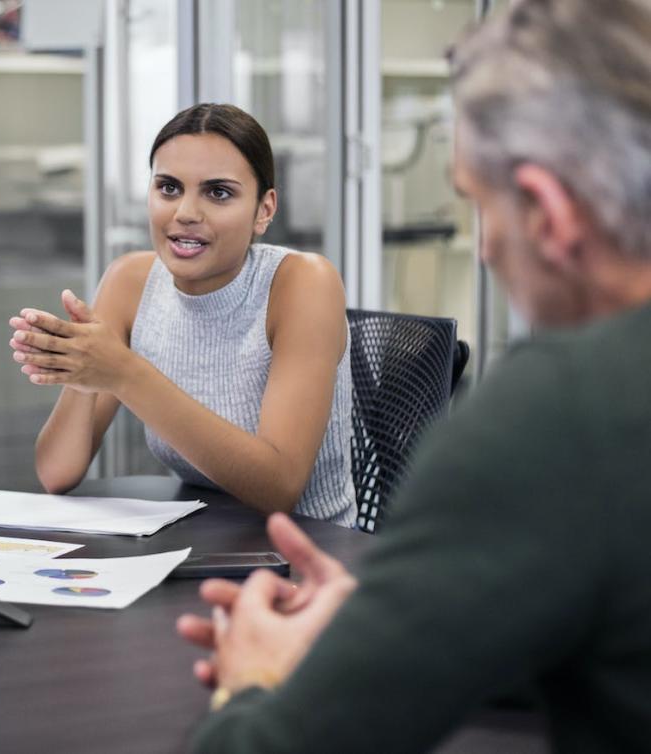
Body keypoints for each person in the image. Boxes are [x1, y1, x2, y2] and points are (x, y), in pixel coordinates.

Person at [177, 0, 651, 750]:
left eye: (479, 206)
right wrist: (401, 619)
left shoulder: (562, 413)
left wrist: (258, 676)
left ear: (547, 213)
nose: (487, 251)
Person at [10, 103, 356, 525]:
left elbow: (278, 487)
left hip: (309, 560)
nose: (186, 213)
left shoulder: (303, 283)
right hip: (204, 544)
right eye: (169, 188)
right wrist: (83, 377)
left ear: (264, 210)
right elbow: (56, 474)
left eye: (218, 192)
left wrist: (124, 372)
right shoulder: (129, 280)